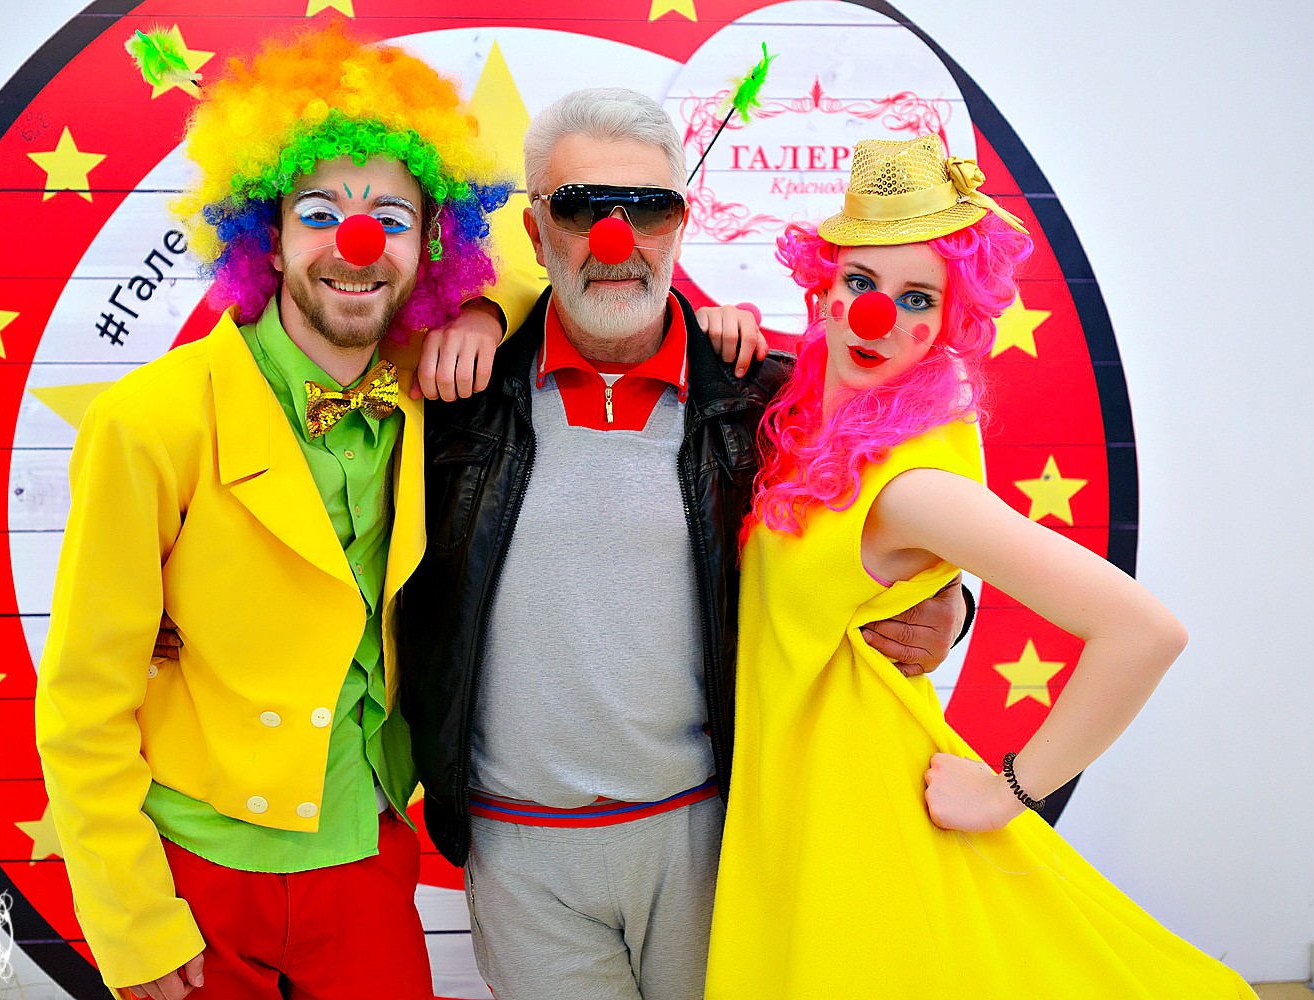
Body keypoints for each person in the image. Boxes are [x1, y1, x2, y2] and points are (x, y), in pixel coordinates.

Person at [397, 90, 969, 1000]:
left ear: (682, 224)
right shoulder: (450, 399)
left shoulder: (763, 402)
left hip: (714, 837)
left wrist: (946, 607)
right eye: (581, 207)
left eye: (648, 207)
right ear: (536, 232)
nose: (615, 239)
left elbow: (871, 528)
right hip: (523, 859)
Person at [35, 24, 529, 1000]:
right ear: (267, 235)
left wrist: (482, 310)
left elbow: (547, 281)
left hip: (365, 845)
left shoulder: (425, 386)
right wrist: (132, 919)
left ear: (433, 243)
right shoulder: (151, 420)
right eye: (320, 212)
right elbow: (84, 698)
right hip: (199, 860)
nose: (357, 244)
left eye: (392, 217)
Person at [703, 133, 1256, 998]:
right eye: (862, 283)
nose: (879, 317)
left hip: (867, 820)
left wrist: (1009, 790)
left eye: (916, 298)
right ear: (826, 286)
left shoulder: (914, 485)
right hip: (796, 810)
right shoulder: (810, 427)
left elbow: (1144, 632)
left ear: (948, 319)